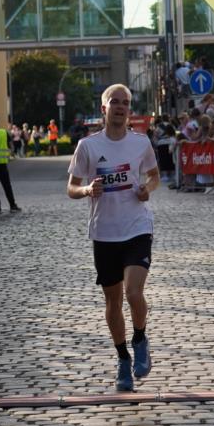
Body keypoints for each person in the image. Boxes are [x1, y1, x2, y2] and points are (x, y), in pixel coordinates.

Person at [67, 84, 160, 393]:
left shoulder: (141, 142)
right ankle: (122, 359)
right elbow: (72, 187)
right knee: (112, 301)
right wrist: (86, 191)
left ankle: (140, 337)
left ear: (129, 110)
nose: (120, 107)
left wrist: (148, 188)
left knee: (134, 292)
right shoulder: (88, 146)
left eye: (126, 103)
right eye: (114, 102)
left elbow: (154, 175)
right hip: (104, 232)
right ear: (103, 108)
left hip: (137, 226)